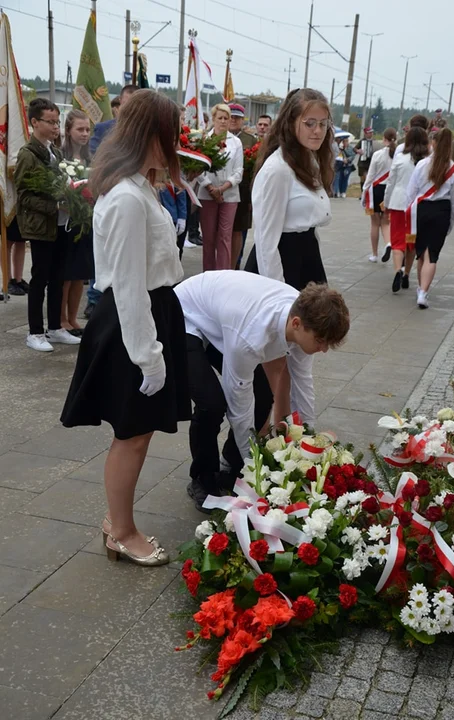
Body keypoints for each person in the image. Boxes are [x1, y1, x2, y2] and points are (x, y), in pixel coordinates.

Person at [61, 90, 190, 565]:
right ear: (149, 134)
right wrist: (148, 355)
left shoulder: (139, 187)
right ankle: (122, 531)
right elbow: (129, 286)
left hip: (149, 313)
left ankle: (118, 522)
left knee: (137, 432)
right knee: (132, 434)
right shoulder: (129, 199)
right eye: (171, 131)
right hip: (135, 321)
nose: (176, 140)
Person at [174, 270, 350, 510]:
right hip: (184, 315)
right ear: (296, 324)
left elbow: (303, 383)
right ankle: (202, 479)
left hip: (223, 317)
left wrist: (308, 445)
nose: (324, 349)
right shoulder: (251, 335)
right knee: (212, 404)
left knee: (264, 397)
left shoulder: (302, 319)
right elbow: (239, 401)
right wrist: (254, 467)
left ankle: (230, 467)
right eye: (321, 342)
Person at [245, 88, 333, 290]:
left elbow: (308, 223)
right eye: (310, 123)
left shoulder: (310, 161)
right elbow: (266, 242)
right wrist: (279, 294)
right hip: (282, 264)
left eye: (323, 123)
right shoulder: (278, 170)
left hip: (308, 258)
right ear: (291, 123)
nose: (318, 130)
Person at [14, 98, 81, 352]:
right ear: (34, 122)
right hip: (42, 226)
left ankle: (55, 327)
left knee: (58, 277)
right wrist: (53, 207)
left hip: (61, 225)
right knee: (40, 278)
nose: (56, 127)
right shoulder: (28, 154)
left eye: (57, 122)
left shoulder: (56, 151)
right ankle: (34, 332)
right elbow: (24, 196)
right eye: (50, 122)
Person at [85, 84, 139, 320]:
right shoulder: (105, 129)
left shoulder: (141, 133)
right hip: (110, 191)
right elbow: (97, 158)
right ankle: (95, 299)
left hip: (133, 195)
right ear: (120, 103)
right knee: (105, 252)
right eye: (128, 103)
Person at [406, 128, 454, 309]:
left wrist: (411, 213)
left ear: (433, 143)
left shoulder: (422, 164)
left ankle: (420, 289)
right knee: (432, 255)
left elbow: (411, 192)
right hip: (442, 212)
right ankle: (423, 292)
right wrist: (451, 222)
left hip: (422, 210)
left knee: (421, 252)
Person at [196, 104, 243, 271]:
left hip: (229, 195)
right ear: (213, 119)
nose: (223, 121)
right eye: (220, 118)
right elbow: (199, 168)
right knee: (208, 238)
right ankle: (208, 274)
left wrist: (222, 189)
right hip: (207, 193)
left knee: (225, 237)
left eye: (226, 118)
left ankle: (223, 274)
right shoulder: (203, 139)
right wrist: (210, 188)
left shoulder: (236, 142)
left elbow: (238, 171)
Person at [60, 109, 94, 335]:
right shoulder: (61, 158)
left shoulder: (90, 158)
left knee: (81, 272)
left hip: (87, 221)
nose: (84, 134)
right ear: (68, 131)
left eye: (87, 130)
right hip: (67, 222)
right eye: (79, 129)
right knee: (66, 274)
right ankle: (61, 319)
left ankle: (73, 318)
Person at [383, 127, 429, 293]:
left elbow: (391, 182)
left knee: (397, 242)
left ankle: (397, 270)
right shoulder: (427, 160)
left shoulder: (400, 158)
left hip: (398, 202)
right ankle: (406, 274)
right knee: (411, 243)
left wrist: (386, 203)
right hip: (417, 206)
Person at [362, 127, 397, 263]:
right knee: (386, 222)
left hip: (376, 190)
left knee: (374, 223)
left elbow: (370, 176)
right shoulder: (399, 155)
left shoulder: (378, 155)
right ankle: (388, 243)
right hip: (390, 190)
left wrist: (364, 192)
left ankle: (375, 254)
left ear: (384, 139)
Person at [228, 102, 256, 269]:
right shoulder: (218, 136)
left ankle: (236, 263)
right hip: (222, 191)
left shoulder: (250, 140)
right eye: (231, 116)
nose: (233, 120)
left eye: (237, 117)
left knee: (240, 231)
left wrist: (254, 196)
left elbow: (256, 170)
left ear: (242, 120)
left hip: (243, 192)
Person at [89, 84, 138, 155]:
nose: (130, 109)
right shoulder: (103, 128)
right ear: (120, 101)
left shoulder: (146, 132)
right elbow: (93, 154)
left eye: (133, 105)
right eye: (126, 104)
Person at [159, 182, 187, 258]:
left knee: (174, 250)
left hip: (171, 215)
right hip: (155, 216)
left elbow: (180, 192)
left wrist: (182, 217)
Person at [6, 217, 28, 296]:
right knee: (7, 240)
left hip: (22, 208)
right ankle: (7, 281)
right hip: (8, 209)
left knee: (21, 240)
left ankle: (18, 280)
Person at [354, 127, 375, 191]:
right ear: (365, 134)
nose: (371, 134)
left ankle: (367, 192)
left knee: (368, 178)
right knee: (362, 178)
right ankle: (362, 192)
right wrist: (358, 151)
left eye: (372, 132)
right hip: (362, 162)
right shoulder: (362, 141)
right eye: (369, 133)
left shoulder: (374, 141)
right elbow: (354, 148)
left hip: (370, 162)